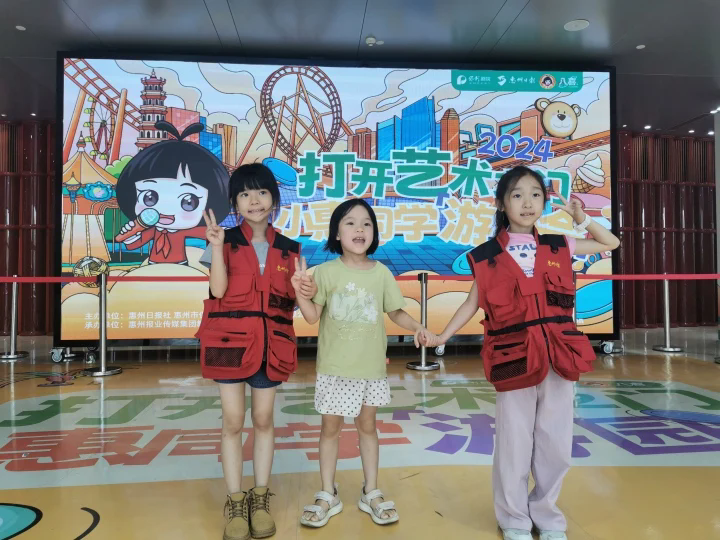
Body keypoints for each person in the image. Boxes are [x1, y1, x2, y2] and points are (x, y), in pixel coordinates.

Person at [427, 165, 619, 540]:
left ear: (544, 202)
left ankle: (546, 515)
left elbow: (609, 243)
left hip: (559, 357)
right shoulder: (485, 256)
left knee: (556, 444)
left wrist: (581, 218)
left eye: (535, 194)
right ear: (502, 203)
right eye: (517, 195)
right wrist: (442, 335)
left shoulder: (559, 244)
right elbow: (471, 303)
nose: (527, 202)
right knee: (514, 443)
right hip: (513, 358)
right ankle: (513, 518)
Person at [291, 198, 434, 528]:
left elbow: (395, 311)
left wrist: (417, 326)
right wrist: (299, 291)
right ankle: (328, 493)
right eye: (350, 222)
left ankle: (371, 491)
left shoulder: (381, 272)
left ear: (374, 232)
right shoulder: (325, 272)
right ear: (336, 233)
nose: (359, 229)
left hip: (371, 369)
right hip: (335, 369)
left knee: (368, 428)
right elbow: (311, 317)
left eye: (366, 223)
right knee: (330, 429)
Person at [195, 163, 306, 540]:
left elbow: (294, 302)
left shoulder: (290, 249)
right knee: (232, 421)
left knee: (262, 419)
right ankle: (235, 500)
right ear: (235, 203)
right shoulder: (222, 240)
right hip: (229, 343)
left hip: (270, 345)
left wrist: (304, 288)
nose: (253, 200)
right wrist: (216, 247)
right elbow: (218, 292)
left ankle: (260, 498)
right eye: (244, 194)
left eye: (261, 192)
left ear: (274, 198)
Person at [116, 120, 230, 265]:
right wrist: (131, 233)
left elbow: (206, 233)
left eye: (188, 202)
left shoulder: (183, 230)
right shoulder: (152, 230)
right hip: (152, 268)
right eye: (150, 198)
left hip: (180, 267)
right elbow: (133, 245)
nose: (167, 209)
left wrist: (225, 232)